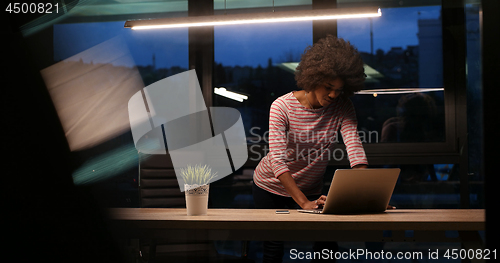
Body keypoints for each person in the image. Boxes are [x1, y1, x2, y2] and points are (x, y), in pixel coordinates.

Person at [252, 35, 375, 263]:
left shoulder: (342, 106)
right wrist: (303, 203)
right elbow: (278, 161)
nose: (333, 95)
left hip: (311, 187)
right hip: (271, 186)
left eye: (339, 90)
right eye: (328, 87)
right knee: (273, 248)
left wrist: (369, 196)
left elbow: (354, 148)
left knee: (326, 247)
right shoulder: (281, 106)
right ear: (311, 78)